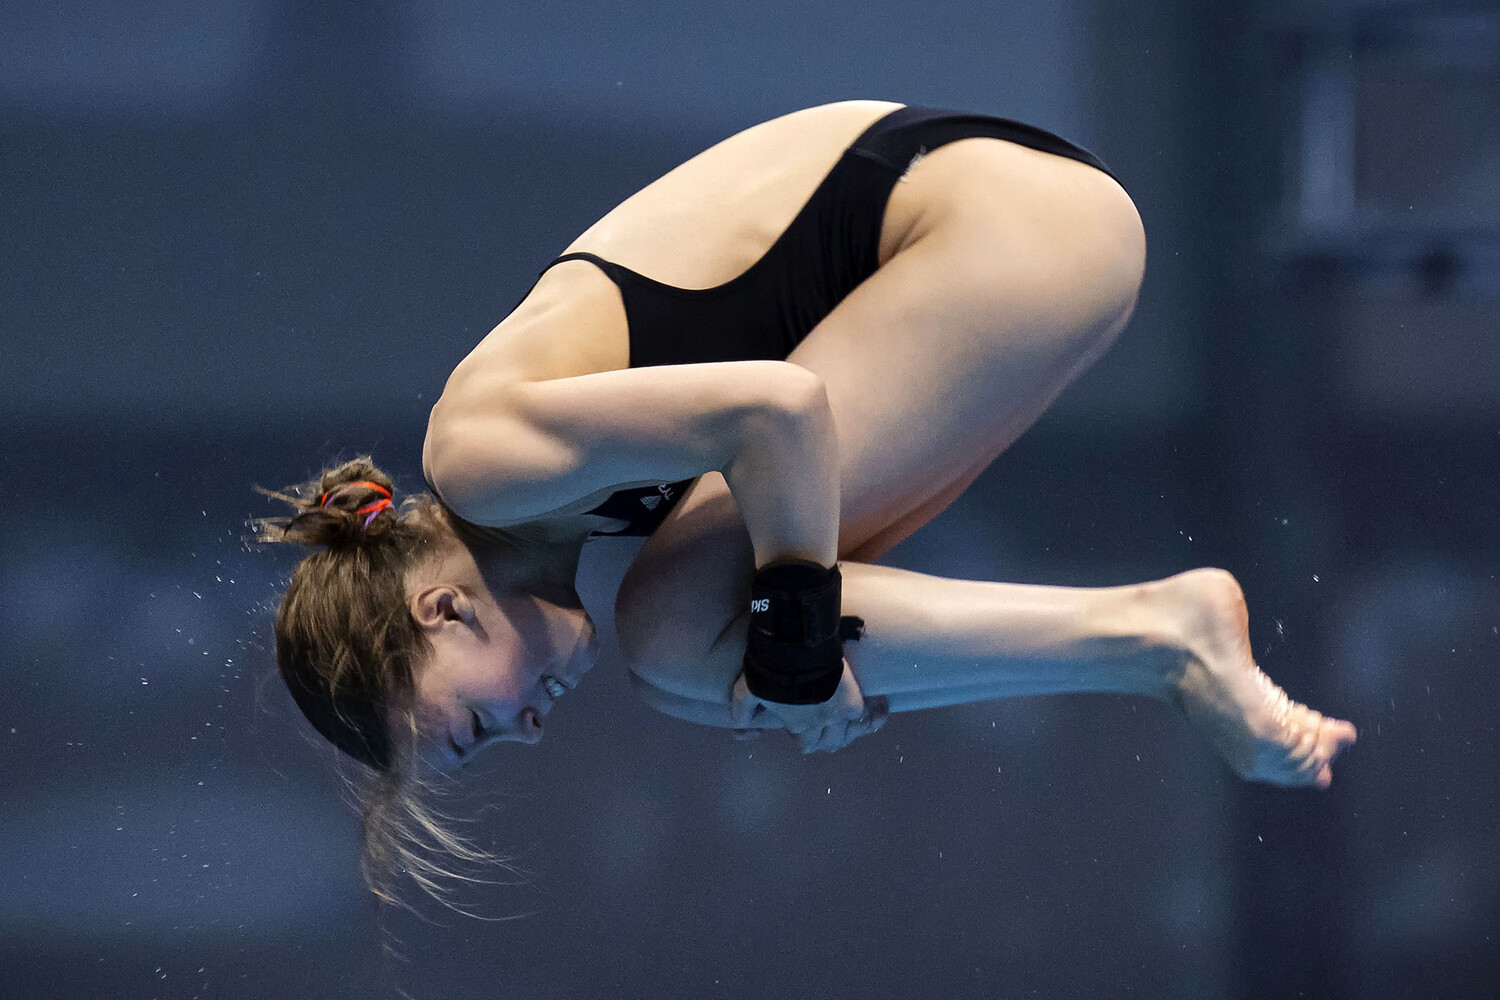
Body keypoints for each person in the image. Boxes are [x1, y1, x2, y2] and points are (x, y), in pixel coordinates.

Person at [258, 100, 1356, 904]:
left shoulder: (483, 456)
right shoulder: (566, 514)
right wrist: (803, 665)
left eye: (476, 726)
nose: (530, 729)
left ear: (438, 612)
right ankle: (1157, 642)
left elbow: (780, 410)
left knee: (686, 630)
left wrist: (794, 633)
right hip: (1031, 234)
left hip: (1010, 220)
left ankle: (1166, 633)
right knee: (695, 662)